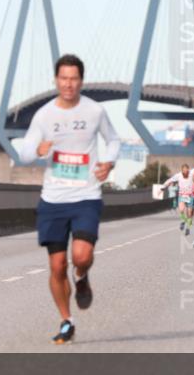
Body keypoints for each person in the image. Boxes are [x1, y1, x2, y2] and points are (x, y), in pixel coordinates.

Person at [18, 53, 120, 345]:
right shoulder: (44, 116)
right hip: (52, 199)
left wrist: (109, 163)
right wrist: (38, 149)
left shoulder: (94, 111)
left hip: (86, 194)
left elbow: (113, 140)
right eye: (63, 78)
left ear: (81, 81)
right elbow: (24, 153)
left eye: (74, 79)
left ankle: (82, 276)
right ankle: (66, 320)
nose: (69, 84)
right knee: (56, 265)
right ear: (56, 80)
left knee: (81, 256)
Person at [161, 163, 194, 235]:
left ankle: (188, 228)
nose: (185, 171)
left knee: (189, 213)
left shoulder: (192, 173)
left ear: (188, 169)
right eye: (184, 170)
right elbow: (170, 180)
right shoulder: (178, 175)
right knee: (181, 210)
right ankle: (183, 221)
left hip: (190, 195)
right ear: (182, 170)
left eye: (186, 170)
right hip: (182, 195)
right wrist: (163, 187)